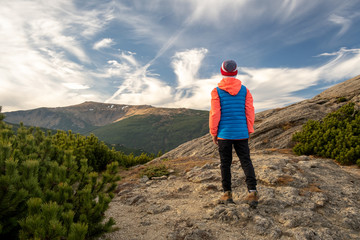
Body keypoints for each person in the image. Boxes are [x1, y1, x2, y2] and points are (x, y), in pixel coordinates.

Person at [209, 60, 259, 208]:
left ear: (222, 72)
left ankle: (227, 194)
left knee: (225, 164)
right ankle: (253, 192)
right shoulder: (245, 90)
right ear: (236, 72)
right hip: (241, 133)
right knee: (246, 161)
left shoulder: (216, 91)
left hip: (224, 134)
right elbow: (250, 111)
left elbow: (215, 113)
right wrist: (249, 129)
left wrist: (214, 132)